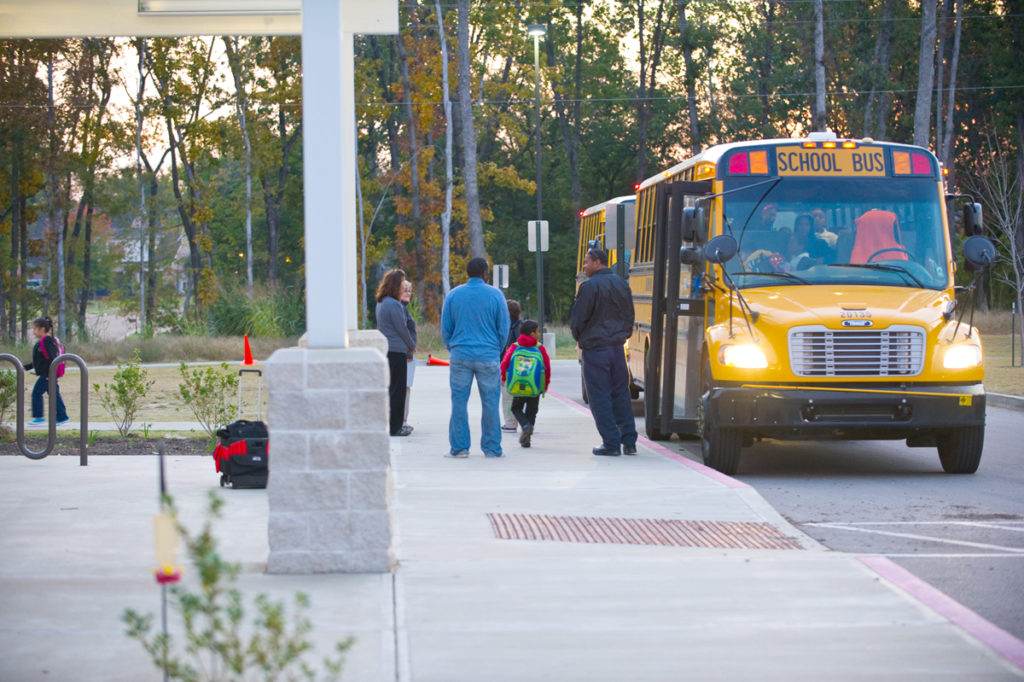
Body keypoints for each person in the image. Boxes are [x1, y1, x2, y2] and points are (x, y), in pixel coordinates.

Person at [570, 248, 638, 456]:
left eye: (586, 262)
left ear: (597, 262)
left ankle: (610, 442)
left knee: (600, 396)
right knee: (621, 394)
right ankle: (629, 441)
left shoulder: (589, 287)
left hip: (595, 347)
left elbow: (579, 318)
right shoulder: (621, 284)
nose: (584, 266)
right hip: (617, 347)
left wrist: (579, 337)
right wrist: (623, 335)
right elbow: (629, 314)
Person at [441, 257, 510, 458]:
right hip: (488, 354)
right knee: (490, 401)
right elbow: (503, 328)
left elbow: (446, 329)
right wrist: (496, 349)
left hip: (460, 354)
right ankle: (492, 447)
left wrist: (452, 348)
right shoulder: (496, 295)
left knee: (459, 401)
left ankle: (460, 447)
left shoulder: (454, 295)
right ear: (486, 273)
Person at [375, 269, 416, 437]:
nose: (402, 288)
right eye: (401, 284)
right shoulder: (394, 304)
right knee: (398, 390)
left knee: (391, 388)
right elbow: (402, 328)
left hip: (387, 349)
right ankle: (396, 426)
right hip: (397, 351)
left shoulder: (382, 302)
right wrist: (411, 344)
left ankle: (391, 423)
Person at [500, 319, 550, 448]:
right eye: (538, 331)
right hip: (535, 386)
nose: (539, 334)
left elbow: (505, 363)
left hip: (519, 385)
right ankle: (527, 439)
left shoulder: (515, 346)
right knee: (532, 411)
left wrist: (503, 378)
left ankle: (526, 426)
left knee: (515, 408)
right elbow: (547, 367)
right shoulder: (539, 348)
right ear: (532, 334)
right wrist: (544, 385)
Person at [23, 316, 69, 426]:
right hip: (48, 373)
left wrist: (50, 374)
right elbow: (41, 360)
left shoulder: (47, 341)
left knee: (37, 393)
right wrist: (26, 367)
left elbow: (53, 358)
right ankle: (62, 417)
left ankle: (39, 417)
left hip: (48, 374)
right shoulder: (47, 341)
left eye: (35, 329)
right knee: (54, 394)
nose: (33, 331)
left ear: (42, 329)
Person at [500, 299, 522, 433]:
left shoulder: (506, 328)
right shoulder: (523, 326)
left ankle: (510, 424)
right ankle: (526, 422)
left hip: (508, 368)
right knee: (521, 395)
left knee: (507, 396)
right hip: (523, 368)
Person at [401, 279, 418, 433]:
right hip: (404, 354)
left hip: (408, 354)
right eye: (404, 290)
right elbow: (402, 332)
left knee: (406, 388)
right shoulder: (398, 308)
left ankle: (404, 420)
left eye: (409, 290)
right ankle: (402, 421)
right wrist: (410, 347)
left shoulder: (403, 309)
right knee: (404, 388)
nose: (408, 293)